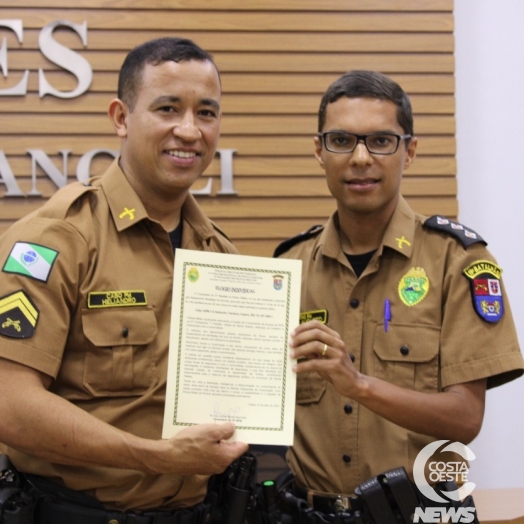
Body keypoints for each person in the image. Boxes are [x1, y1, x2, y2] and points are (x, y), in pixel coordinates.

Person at [0, 37, 248, 520]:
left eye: (207, 113)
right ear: (120, 117)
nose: (189, 130)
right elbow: (9, 405)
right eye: (168, 108)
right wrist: (156, 456)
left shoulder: (222, 255)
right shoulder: (55, 240)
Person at [275, 70, 524, 515]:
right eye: (341, 140)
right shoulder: (287, 268)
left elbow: (466, 418)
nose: (360, 157)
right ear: (319, 150)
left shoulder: (459, 262)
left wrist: (359, 385)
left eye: (381, 141)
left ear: (409, 151)